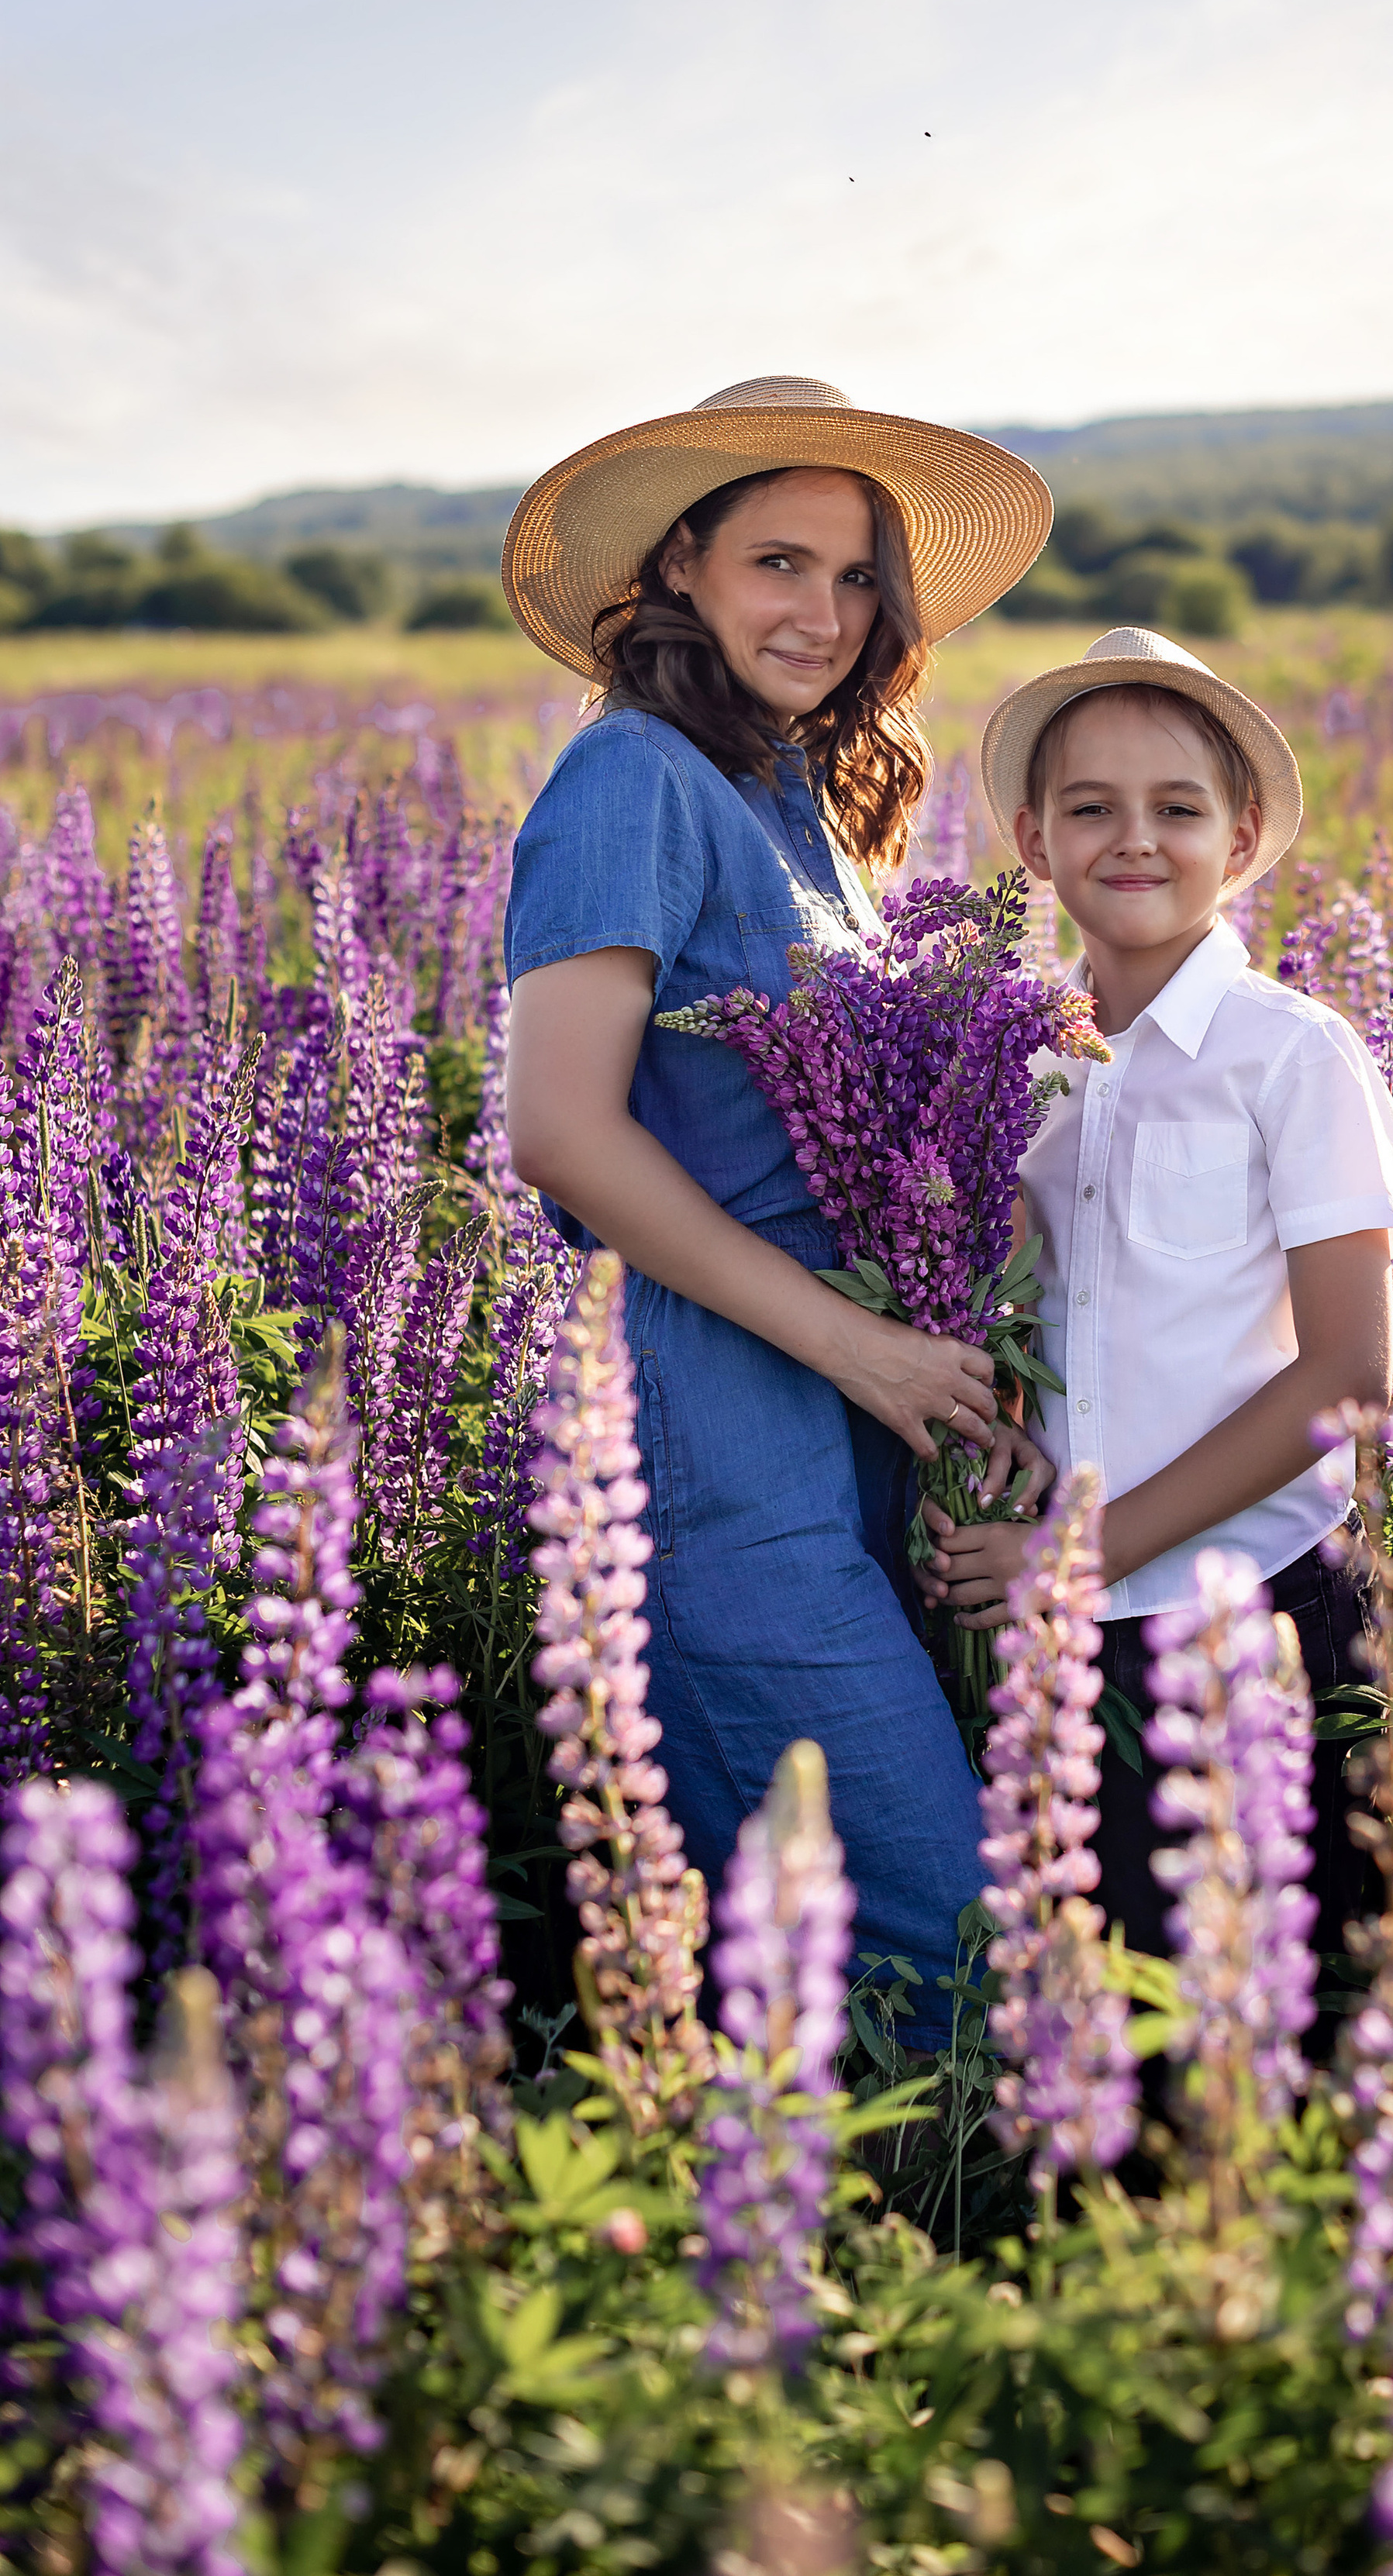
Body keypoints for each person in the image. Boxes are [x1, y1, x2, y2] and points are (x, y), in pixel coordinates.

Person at [500, 375, 1054, 2047]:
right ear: (679, 566)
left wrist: (961, 1368)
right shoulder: (633, 778)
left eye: (855, 574)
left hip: (862, 1405)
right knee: (952, 1954)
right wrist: (862, 1350)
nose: (822, 612)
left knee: (875, 1983)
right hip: (714, 1429)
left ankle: (895, 2279)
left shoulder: (800, 795)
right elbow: (559, 1133)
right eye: (777, 563)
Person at [921, 624, 1393, 1967]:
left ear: (1242, 837)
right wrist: (1015, 1435)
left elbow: (1346, 1382)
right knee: (1116, 2024)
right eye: (1091, 808)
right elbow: (1059, 1328)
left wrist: (1077, 1556)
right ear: (1033, 839)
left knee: (1284, 2023)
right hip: (1082, 1637)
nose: (1134, 840)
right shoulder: (1029, 1066)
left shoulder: (1292, 1057)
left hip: (1259, 1614)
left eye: (1177, 809)